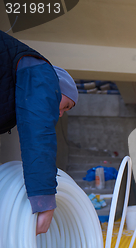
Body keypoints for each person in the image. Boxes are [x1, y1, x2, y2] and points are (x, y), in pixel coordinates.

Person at [0, 31, 78, 235]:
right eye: (66, 105)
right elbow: (38, 137)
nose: (60, 114)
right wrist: (44, 201)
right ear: (55, 87)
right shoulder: (41, 73)